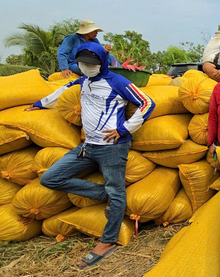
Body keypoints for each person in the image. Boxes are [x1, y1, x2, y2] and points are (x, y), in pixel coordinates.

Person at [27, 42, 155, 269]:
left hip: (112, 148)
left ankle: (107, 241)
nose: (87, 68)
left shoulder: (117, 82)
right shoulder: (83, 81)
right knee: (50, 178)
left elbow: (147, 103)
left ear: (102, 63)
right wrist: (39, 104)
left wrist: (124, 129)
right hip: (87, 146)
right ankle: (101, 193)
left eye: (91, 64)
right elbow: (63, 91)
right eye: (83, 64)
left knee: (117, 192)